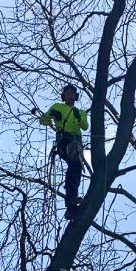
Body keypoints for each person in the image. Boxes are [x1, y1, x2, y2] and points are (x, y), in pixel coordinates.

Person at [38, 84, 89, 220]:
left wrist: (78, 117)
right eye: (67, 93)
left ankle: (71, 206)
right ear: (64, 96)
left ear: (75, 96)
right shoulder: (57, 107)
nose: (70, 96)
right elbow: (43, 121)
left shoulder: (81, 112)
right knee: (73, 164)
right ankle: (71, 199)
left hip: (76, 143)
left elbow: (85, 127)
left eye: (72, 93)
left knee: (76, 167)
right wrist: (52, 116)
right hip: (64, 141)